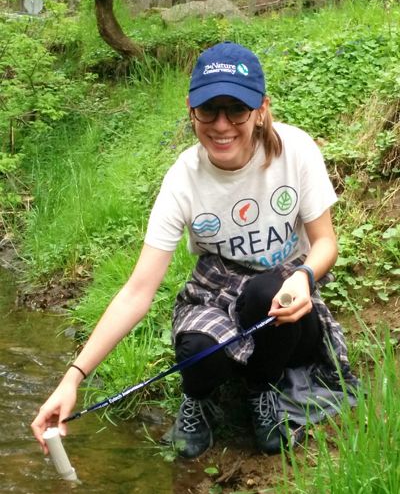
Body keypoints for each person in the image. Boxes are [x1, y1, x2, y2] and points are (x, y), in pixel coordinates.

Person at [31, 42, 357, 460]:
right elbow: (137, 291)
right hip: (216, 286)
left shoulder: (295, 151)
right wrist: (73, 378)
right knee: (197, 350)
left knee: (264, 292)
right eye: (209, 110)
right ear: (191, 110)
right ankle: (198, 398)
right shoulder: (182, 179)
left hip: (287, 283)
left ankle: (263, 388)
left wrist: (305, 276)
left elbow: (326, 243)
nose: (222, 125)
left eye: (236, 110)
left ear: (260, 109)